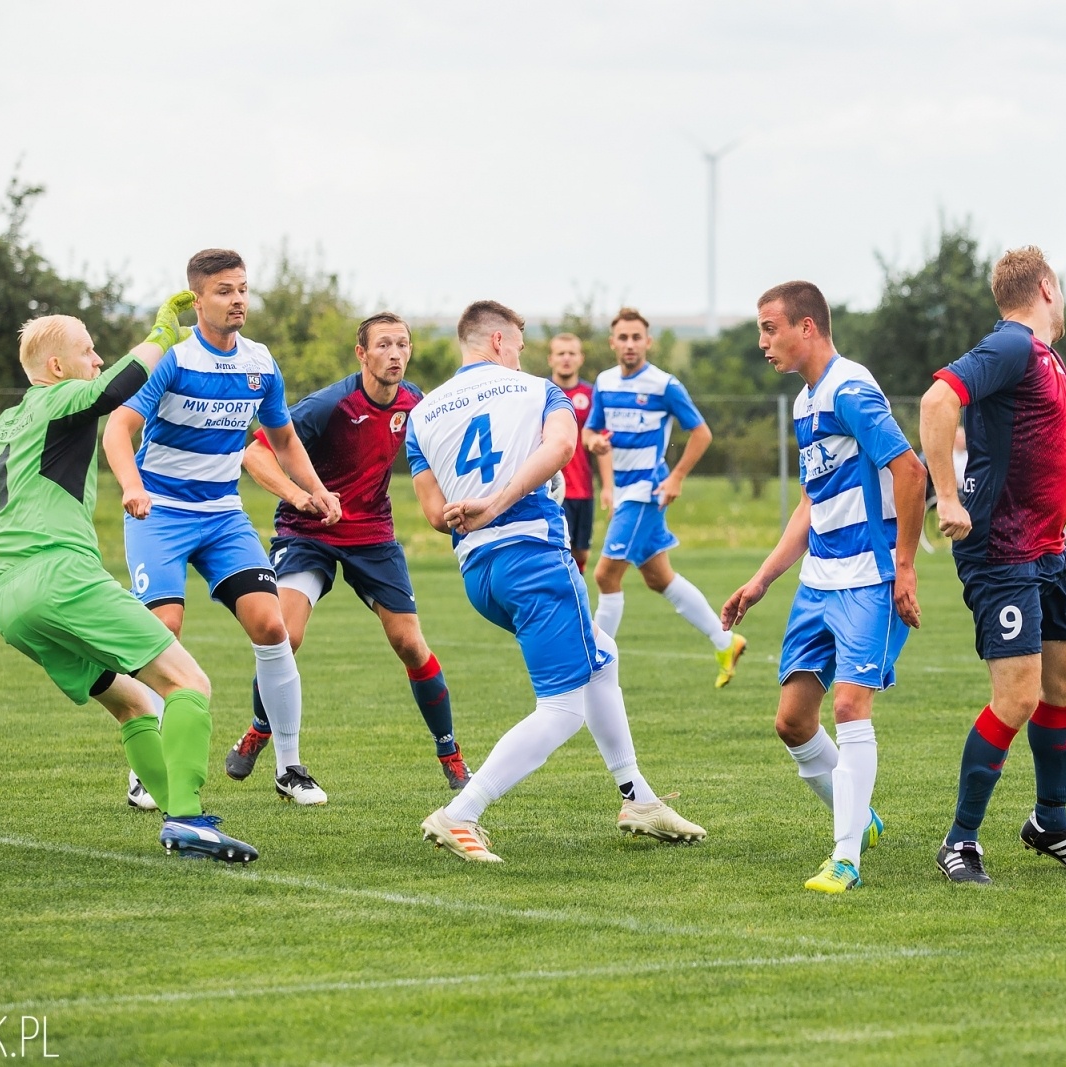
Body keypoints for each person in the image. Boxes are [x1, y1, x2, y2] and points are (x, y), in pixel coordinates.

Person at [0, 297, 258, 862]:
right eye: (87, 350)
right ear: (55, 367)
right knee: (188, 683)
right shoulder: (63, 399)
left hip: (13, 602)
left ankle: (177, 817)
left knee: (134, 706)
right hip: (62, 579)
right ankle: (190, 820)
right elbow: (119, 386)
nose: (97, 360)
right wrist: (163, 331)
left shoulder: (0, 429)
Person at [406, 300, 705, 862]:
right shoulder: (539, 390)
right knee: (562, 709)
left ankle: (637, 796)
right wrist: (499, 501)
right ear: (497, 342)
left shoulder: (423, 414)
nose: (523, 354)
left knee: (603, 655)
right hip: (535, 558)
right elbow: (563, 448)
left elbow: (434, 511)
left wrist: (477, 508)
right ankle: (460, 813)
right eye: (518, 343)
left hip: (479, 573)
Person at [920, 246, 1066, 885]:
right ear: (1047, 287)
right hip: (1003, 549)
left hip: (1047, 549)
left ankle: (1048, 821)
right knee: (1018, 694)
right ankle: (959, 840)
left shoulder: (1045, 359)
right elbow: (939, 400)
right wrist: (948, 494)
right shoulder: (1012, 347)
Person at [103, 249, 340, 807]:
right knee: (162, 629)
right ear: (197, 299)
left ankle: (290, 768)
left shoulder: (260, 361)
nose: (238, 300)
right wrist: (132, 486)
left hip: (223, 515)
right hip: (159, 512)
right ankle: (147, 768)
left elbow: (283, 440)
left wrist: (315, 490)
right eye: (224, 291)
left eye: (242, 289)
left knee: (271, 624)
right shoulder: (173, 358)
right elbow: (118, 430)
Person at [721, 282, 926, 895]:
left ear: (806, 327)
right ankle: (859, 816)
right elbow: (814, 503)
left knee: (847, 706)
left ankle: (845, 857)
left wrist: (906, 566)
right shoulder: (805, 403)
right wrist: (761, 580)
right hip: (820, 579)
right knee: (792, 721)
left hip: (869, 575)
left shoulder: (851, 389)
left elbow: (910, 471)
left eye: (769, 328)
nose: (763, 343)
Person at [233, 312, 473, 791]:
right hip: (308, 533)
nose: (395, 354)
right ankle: (261, 729)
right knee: (285, 635)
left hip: (373, 536)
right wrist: (303, 497)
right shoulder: (329, 405)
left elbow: (448, 453)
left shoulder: (415, 403)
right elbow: (255, 454)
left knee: (410, 644)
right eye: (383, 345)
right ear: (362, 354)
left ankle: (451, 754)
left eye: (402, 345)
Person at [583, 308, 747, 687]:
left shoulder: (663, 385)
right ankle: (726, 641)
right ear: (612, 343)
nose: (629, 344)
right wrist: (595, 442)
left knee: (606, 575)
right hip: (624, 492)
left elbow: (701, 433)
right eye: (622, 338)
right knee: (659, 578)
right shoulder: (605, 383)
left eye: (636, 337)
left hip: (646, 491)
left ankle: (594, 662)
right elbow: (590, 431)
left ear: (648, 342)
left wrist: (676, 477)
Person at [547, 332, 606, 574]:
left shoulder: (591, 395)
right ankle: (563, 601)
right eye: (561, 353)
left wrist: (608, 487)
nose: (566, 359)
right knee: (558, 550)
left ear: (581, 358)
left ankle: (573, 594)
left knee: (581, 552)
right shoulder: (542, 393)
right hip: (554, 488)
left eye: (572, 353)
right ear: (551, 359)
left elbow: (601, 442)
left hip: (584, 488)